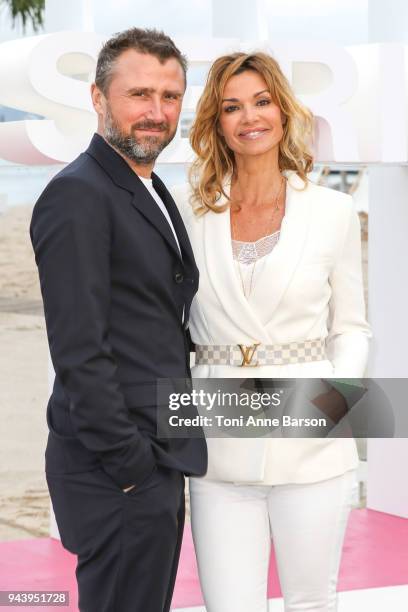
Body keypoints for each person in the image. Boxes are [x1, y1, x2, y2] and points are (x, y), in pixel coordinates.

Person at [171, 51, 371, 612]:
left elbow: (351, 328)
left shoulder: (332, 211)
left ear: (283, 111)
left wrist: (337, 406)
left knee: (310, 601)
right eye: (232, 107)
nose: (249, 117)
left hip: (310, 441)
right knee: (228, 604)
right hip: (217, 443)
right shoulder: (190, 214)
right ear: (216, 123)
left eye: (262, 102)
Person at [30, 28, 207, 612]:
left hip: (152, 456)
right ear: (98, 98)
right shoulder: (78, 194)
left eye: (170, 96)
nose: (156, 112)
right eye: (139, 95)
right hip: (118, 470)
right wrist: (132, 468)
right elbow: (79, 350)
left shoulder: (146, 185)